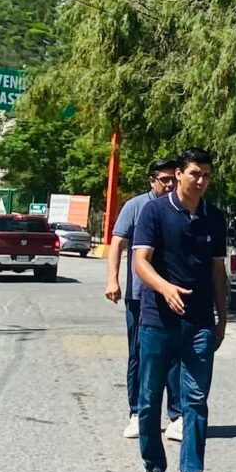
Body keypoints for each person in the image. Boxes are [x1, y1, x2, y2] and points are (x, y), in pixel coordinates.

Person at [133, 148, 232, 472]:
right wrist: (164, 287)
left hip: (199, 323)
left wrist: (221, 316)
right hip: (158, 321)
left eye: (207, 174)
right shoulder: (155, 211)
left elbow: (218, 271)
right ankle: (154, 465)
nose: (201, 181)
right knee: (149, 399)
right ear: (178, 174)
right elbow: (140, 261)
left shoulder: (214, 218)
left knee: (196, 400)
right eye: (195, 174)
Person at [105, 161, 181, 440]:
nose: (170, 185)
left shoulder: (180, 207)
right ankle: (137, 413)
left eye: (174, 179)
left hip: (172, 294)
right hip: (140, 295)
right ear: (152, 181)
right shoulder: (136, 206)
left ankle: (177, 416)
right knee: (139, 354)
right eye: (164, 180)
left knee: (174, 355)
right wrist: (112, 279)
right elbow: (117, 243)